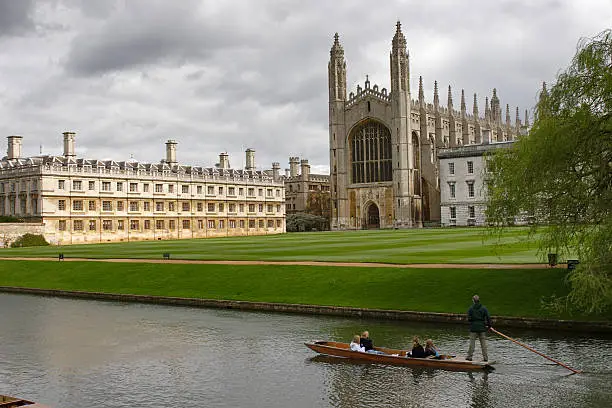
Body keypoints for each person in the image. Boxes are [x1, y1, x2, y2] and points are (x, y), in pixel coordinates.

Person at [466, 294, 491, 361]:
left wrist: (472, 321)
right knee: (483, 344)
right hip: (482, 327)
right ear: (478, 300)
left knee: (472, 343)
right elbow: (488, 317)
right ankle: (485, 358)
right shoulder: (484, 308)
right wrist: (489, 325)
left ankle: (469, 357)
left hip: (473, 328)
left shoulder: (471, 308)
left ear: (473, 300)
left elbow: (468, 319)